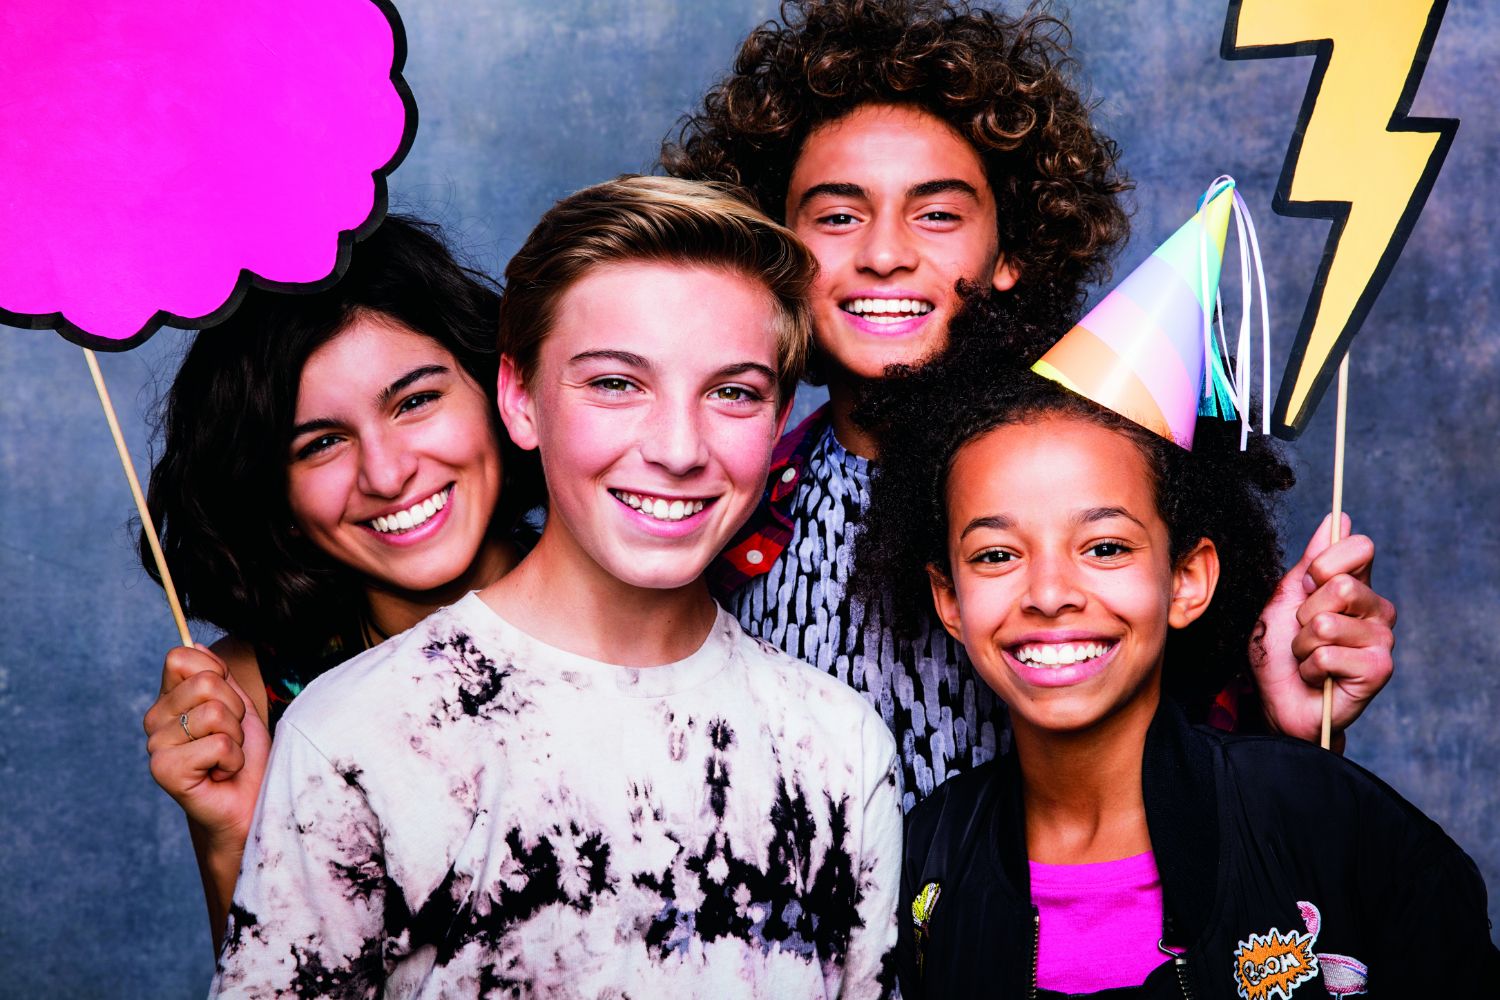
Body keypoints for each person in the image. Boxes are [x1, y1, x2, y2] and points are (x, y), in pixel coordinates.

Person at [663, 0, 1396, 809]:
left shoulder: (1110, 486)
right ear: (777, 250)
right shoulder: (716, 500)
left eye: (937, 214)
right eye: (838, 217)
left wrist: (1283, 721)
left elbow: (1198, 806)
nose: (883, 254)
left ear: (1009, 252)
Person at [210, 176, 902, 997]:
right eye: (615, 383)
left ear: (780, 413)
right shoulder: (356, 738)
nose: (679, 449)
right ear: (520, 399)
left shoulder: (837, 745)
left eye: (732, 393)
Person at [853, 336, 1498, 997]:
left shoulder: (1338, 824)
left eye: (1104, 547)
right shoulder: (921, 862)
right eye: (996, 555)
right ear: (949, 600)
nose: (1049, 594)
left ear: (1187, 580)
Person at [139, 216, 541, 947]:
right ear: (275, 495)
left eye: (416, 400)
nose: (387, 474)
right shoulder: (245, 696)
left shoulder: (633, 604)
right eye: (321, 442)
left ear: (499, 392)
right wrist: (234, 833)